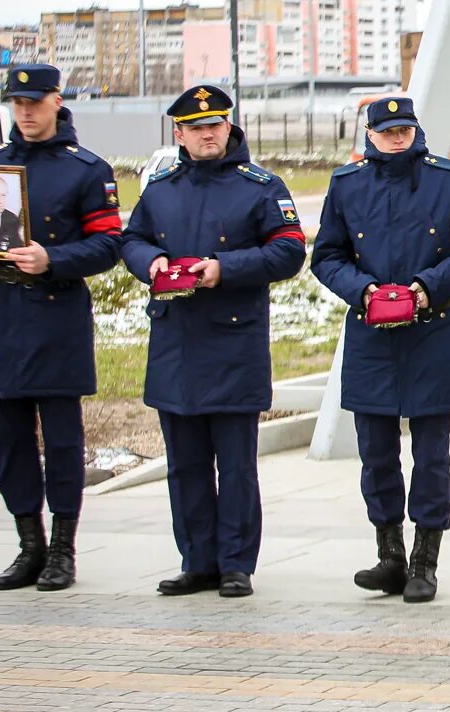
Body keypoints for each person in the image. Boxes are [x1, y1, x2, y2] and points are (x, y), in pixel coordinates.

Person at [120, 85, 306, 599]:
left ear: (229, 128)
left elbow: (290, 252)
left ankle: (235, 563)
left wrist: (225, 269)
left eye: (216, 125)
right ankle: (196, 560)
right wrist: (149, 263)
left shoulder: (262, 187)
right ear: (178, 133)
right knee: (185, 464)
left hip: (233, 344)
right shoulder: (161, 188)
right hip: (176, 342)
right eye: (196, 127)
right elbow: (132, 239)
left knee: (237, 465)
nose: (208, 134)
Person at [310, 96, 450, 604]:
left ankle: (424, 562)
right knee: (376, 455)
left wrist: (426, 286)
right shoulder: (346, 185)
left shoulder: (448, 178)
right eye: (387, 131)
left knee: (431, 455)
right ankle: (389, 555)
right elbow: (325, 256)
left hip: (433, 333)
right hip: (372, 338)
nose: (397, 138)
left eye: (404, 129)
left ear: (416, 129)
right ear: (370, 135)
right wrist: (363, 290)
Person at [0, 63, 123, 592]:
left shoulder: (86, 171)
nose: (25, 112)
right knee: (9, 439)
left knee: (63, 440)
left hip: (56, 314)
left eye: (34, 101)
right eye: (17, 103)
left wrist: (52, 257)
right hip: (2, 316)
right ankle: (29, 544)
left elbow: (108, 245)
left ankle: (63, 551)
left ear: (57, 100)